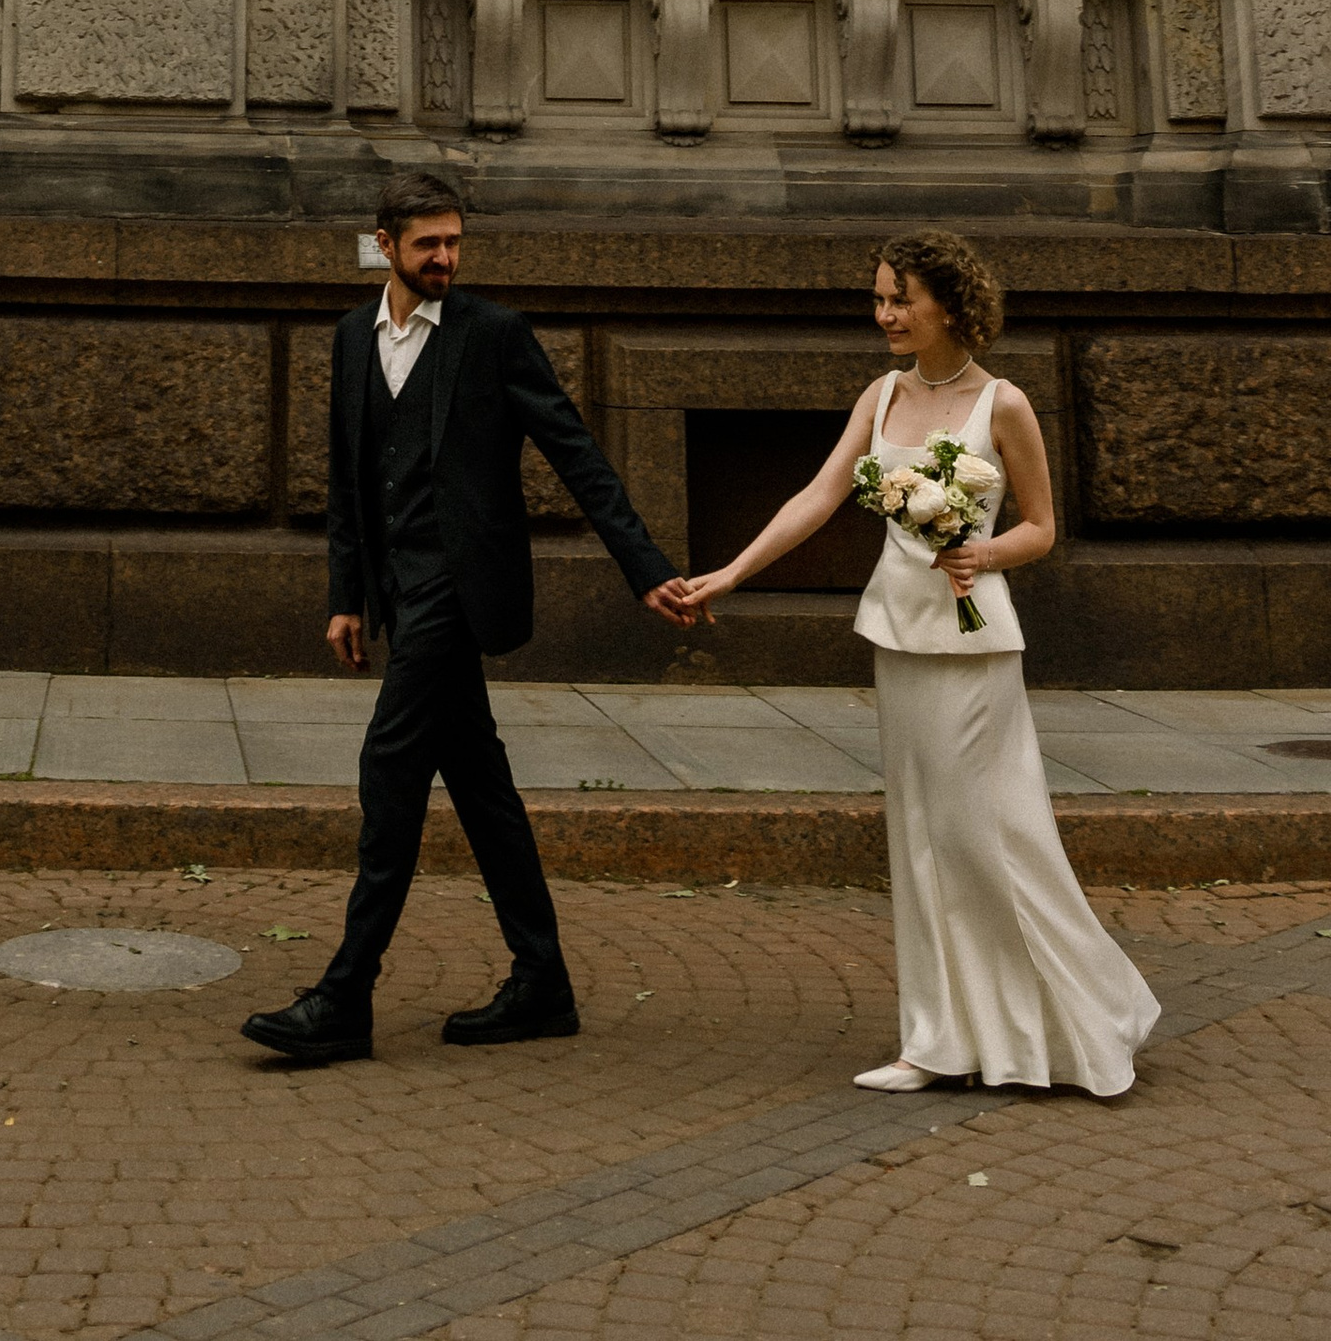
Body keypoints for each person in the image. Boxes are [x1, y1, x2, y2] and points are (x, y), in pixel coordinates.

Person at [677, 229, 1159, 1098]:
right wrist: (733, 571)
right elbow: (820, 496)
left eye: (900, 299)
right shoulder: (882, 394)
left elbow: (1042, 529)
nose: (886, 315)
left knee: (988, 834)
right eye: (879, 299)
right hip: (897, 634)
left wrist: (985, 556)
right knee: (922, 839)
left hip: (974, 646)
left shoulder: (1003, 404)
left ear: (949, 303)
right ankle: (938, 1040)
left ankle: (1091, 1013)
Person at [242, 175, 701, 1069]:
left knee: (389, 768)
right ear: (385, 245)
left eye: (454, 242)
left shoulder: (492, 336)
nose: (446, 258)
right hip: (401, 593)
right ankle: (544, 983)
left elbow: (576, 452)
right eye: (428, 245)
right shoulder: (350, 338)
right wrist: (347, 595)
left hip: (460, 591)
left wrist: (644, 567)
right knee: (482, 792)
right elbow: (347, 482)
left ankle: (345, 994)